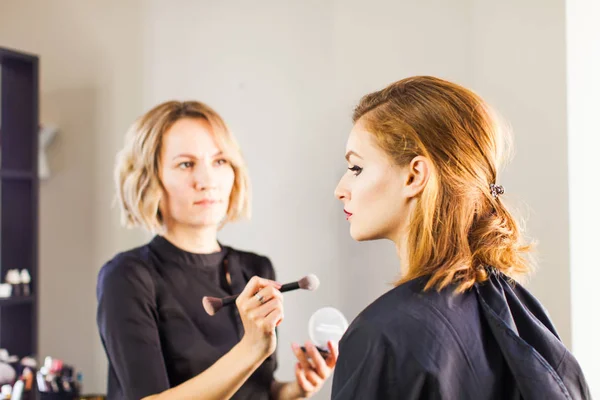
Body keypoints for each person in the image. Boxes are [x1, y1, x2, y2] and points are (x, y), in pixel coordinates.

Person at [331, 76, 591, 399]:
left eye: (356, 168)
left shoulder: (383, 335)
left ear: (414, 175)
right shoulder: (522, 314)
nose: (340, 190)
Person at [96, 101, 337, 400]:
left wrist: (295, 389)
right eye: (186, 164)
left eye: (220, 161)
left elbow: (257, 390)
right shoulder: (126, 278)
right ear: (150, 179)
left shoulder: (256, 269)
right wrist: (250, 349)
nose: (207, 181)